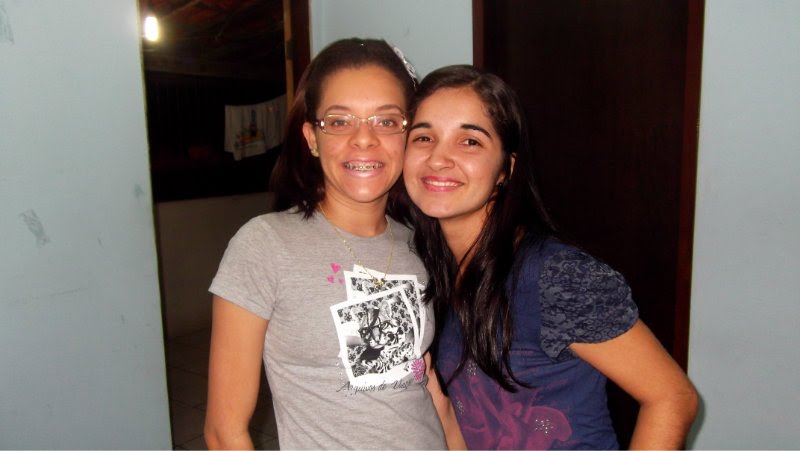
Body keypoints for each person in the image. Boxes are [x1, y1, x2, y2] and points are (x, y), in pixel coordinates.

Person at [403, 64, 699, 450]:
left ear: (506, 169)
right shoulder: (427, 271)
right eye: (424, 137)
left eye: (470, 141)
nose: (438, 158)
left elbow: (673, 397)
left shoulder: (556, 276)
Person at [204, 39, 463, 450]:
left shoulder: (420, 242)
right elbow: (224, 432)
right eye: (340, 122)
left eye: (386, 121)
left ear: (408, 135)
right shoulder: (265, 245)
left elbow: (425, 385)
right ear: (312, 137)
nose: (364, 139)